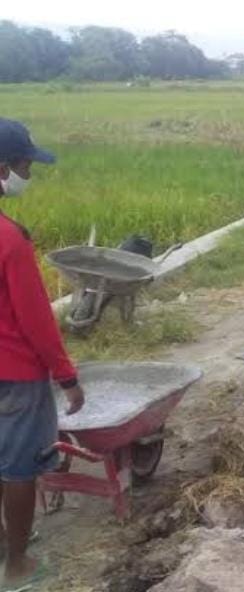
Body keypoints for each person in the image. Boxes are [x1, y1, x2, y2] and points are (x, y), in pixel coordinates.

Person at [0, 118, 85, 589]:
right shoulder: (10, 239)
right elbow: (36, 321)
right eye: (25, 165)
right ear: (3, 167)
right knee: (20, 466)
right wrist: (67, 378)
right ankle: (16, 565)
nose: (27, 175)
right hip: (15, 371)